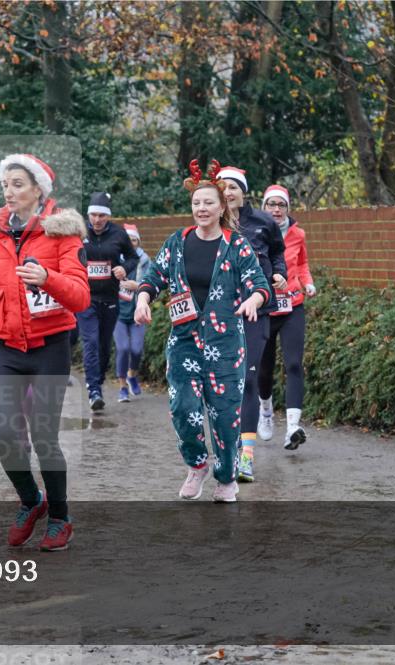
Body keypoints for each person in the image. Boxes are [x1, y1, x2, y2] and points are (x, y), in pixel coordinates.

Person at [0, 153, 90, 551]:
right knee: (2, 433)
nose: (10, 191)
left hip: (51, 346)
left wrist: (47, 277)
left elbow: (81, 296)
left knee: (44, 435)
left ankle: (60, 517)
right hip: (10, 347)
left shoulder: (63, 233)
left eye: (18, 184)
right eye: (6, 185)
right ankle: (31, 500)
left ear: (38, 190)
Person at [134, 160, 270, 503]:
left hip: (225, 345)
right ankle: (196, 466)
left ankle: (226, 478)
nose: (201, 208)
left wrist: (253, 300)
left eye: (208, 202)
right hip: (184, 341)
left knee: (224, 416)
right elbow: (153, 278)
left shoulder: (236, 245)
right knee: (183, 408)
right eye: (196, 203)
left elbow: (259, 284)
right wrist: (143, 300)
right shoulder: (177, 242)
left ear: (222, 206)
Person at [218, 166, 288, 483]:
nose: (228, 192)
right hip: (220, 314)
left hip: (257, 309)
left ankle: (245, 457)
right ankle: (224, 449)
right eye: (223, 187)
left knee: (247, 378)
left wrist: (278, 271)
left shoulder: (262, 222)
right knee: (223, 383)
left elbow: (277, 251)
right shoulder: (210, 222)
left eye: (233, 187)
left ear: (244, 191)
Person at [257, 184, 316, 450]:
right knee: (265, 368)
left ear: (288, 209)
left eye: (281, 205)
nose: (277, 210)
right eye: (272, 204)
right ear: (264, 207)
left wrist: (308, 282)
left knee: (293, 364)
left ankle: (293, 426)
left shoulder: (298, 234)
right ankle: (266, 412)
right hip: (266, 307)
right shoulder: (256, 233)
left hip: (293, 304)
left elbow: (302, 264)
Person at [77, 191, 138, 410]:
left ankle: (98, 379)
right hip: (86, 298)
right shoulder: (79, 232)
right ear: (88, 215)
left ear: (108, 217)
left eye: (102, 216)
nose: (97, 220)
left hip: (110, 298)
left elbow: (133, 257)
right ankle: (94, 390)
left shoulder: (119, 234)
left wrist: (125, 267)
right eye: (93, 215)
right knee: (91, 342)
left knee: (103, 345)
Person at [113, 224, 151, 403]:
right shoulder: (114, 260)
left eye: (134, 240)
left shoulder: (145, 261)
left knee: (136, 349)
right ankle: (122, 387)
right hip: (117, 313)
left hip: (138, 310)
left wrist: (138, 287)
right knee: (123, 348)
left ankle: (132, 376)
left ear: (138, 241)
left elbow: (152, 283)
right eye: (128, 240)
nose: (132, 243)